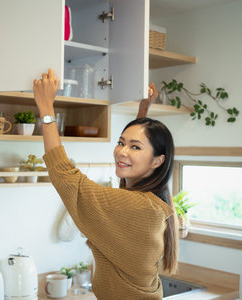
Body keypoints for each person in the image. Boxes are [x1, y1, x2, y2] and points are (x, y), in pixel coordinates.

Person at [33, 69, 178, 300]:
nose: (121, 151)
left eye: (135, 147)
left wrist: (46, 109)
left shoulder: (138, 207)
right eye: (121, 142)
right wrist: (143, 113)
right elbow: (128, 186)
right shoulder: (152, 201)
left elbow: (66, 177)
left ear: (157, 161)